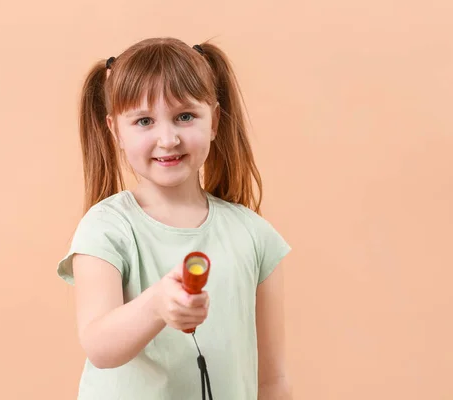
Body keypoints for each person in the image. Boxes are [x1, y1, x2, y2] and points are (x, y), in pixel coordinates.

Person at [57, 37, 293, 400]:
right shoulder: (105, 228)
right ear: (115, 130)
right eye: (144, 121)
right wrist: (155, 305)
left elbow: (272, 379)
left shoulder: (255, 236)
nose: (167, 139)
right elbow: (99, 346)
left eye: (185, 116)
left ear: (214, 120)